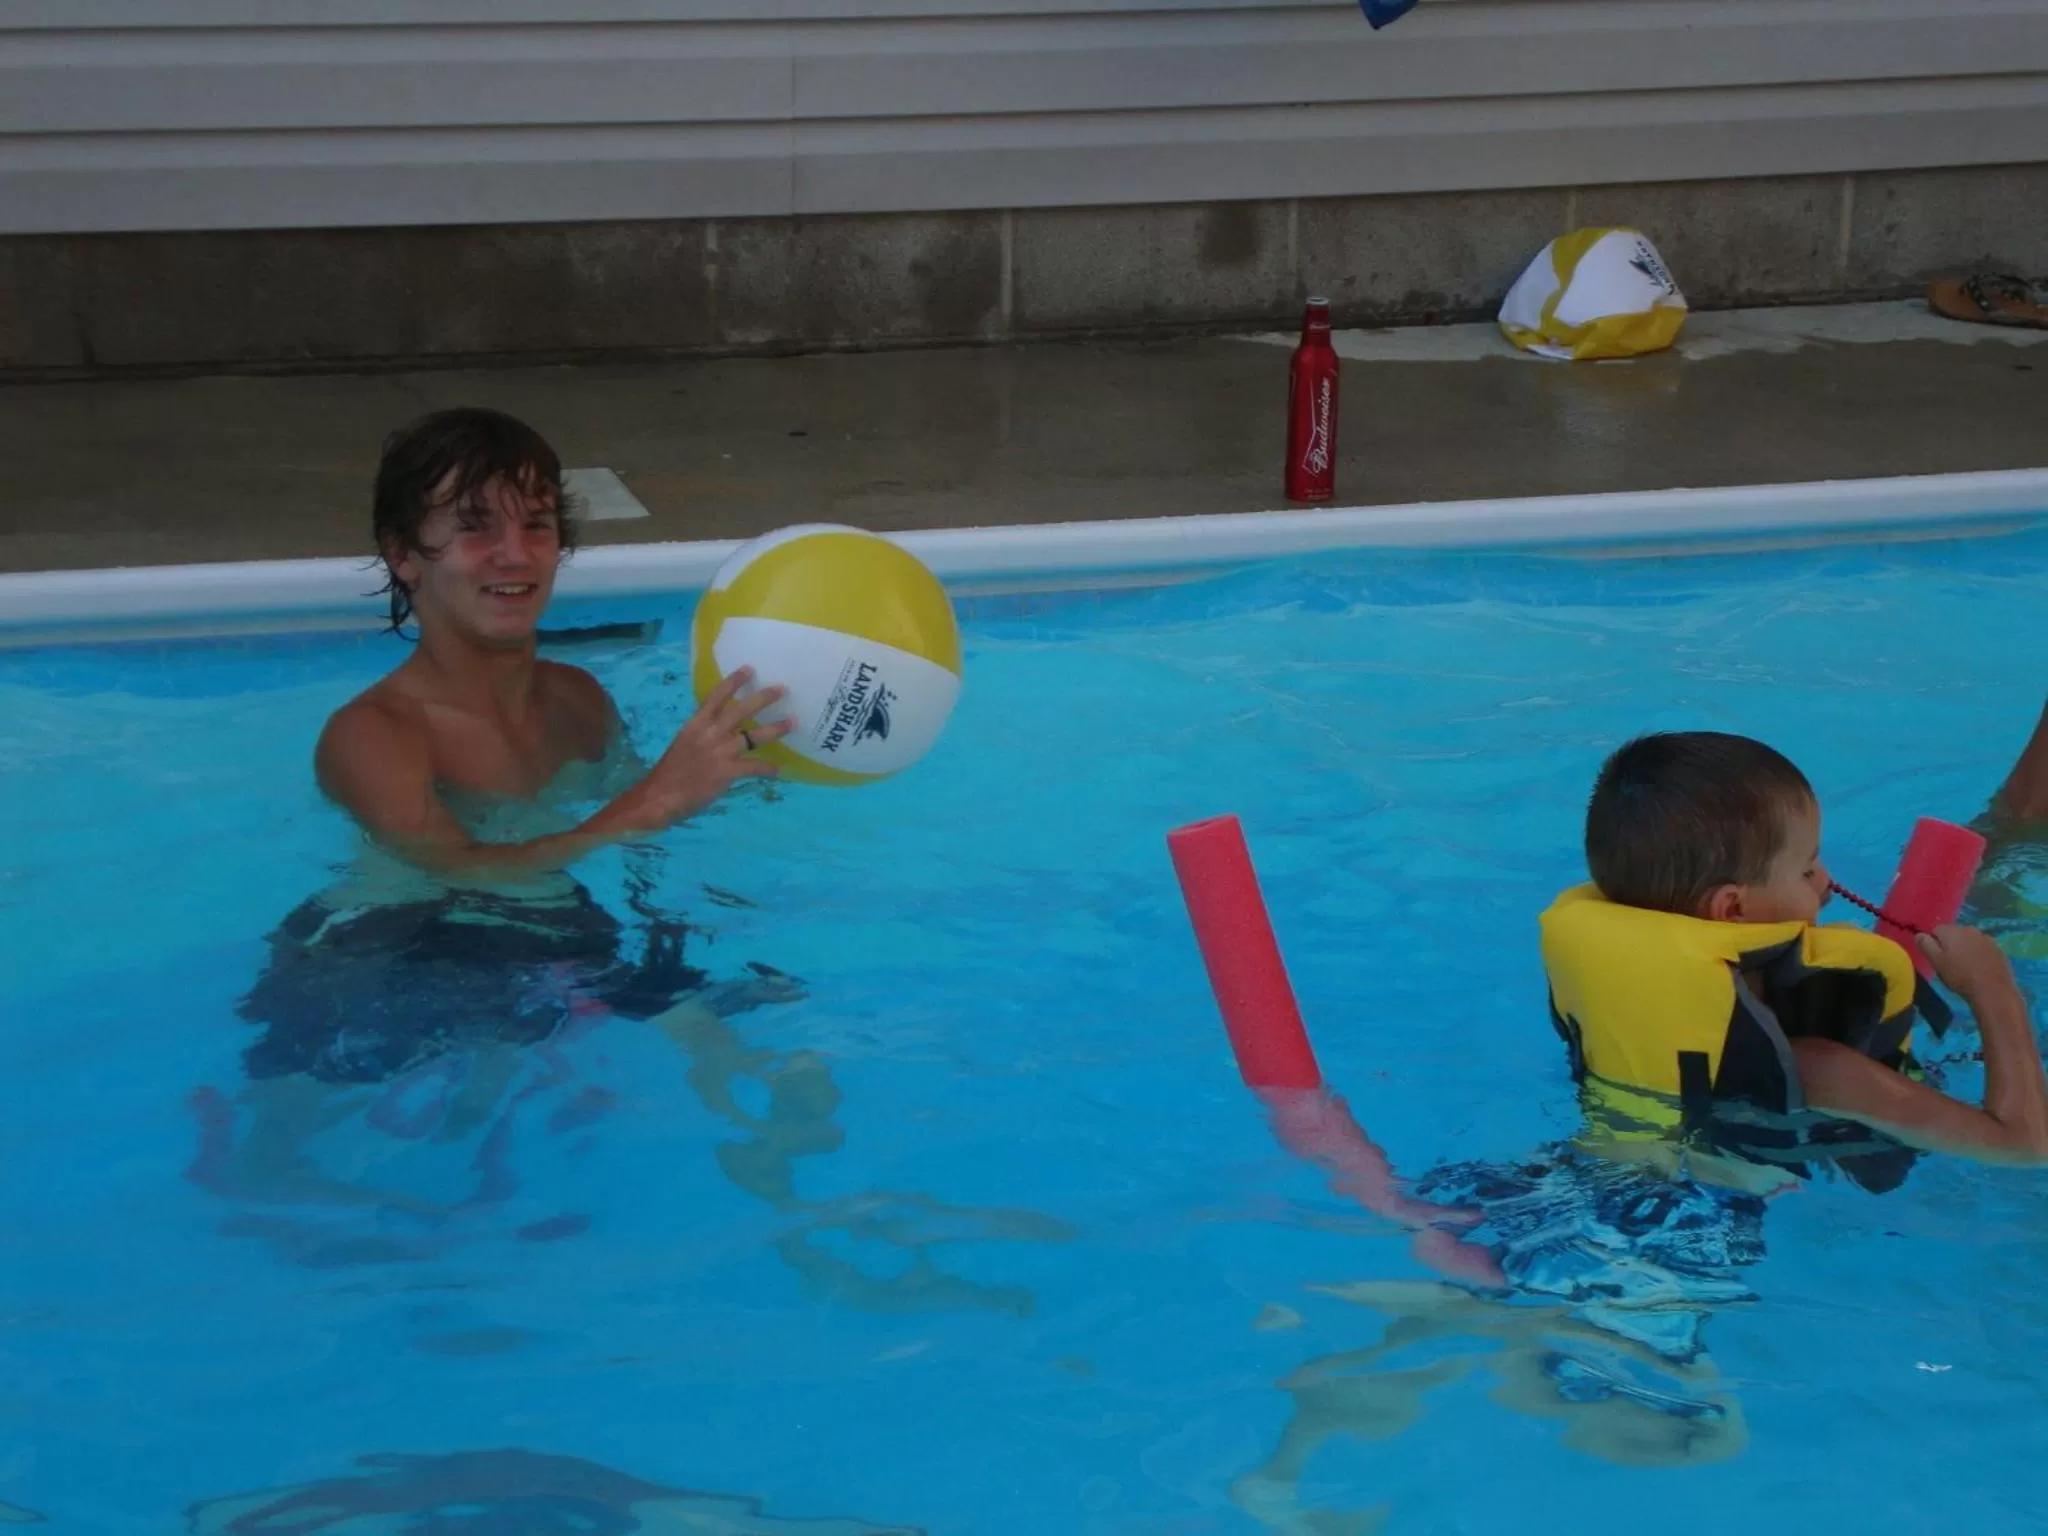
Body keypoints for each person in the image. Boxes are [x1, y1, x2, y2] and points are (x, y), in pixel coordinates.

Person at [315, 405, 791, 876]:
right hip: (392, 943)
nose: (516, 554)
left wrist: (743, 770)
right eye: (475, 526)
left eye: (537, 523)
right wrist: (659, 798)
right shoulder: (372, 736)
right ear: (402, 554)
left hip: (571, 934)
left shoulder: (579, 701)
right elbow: (458, 878)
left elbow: (645, 834)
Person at [1545, 731, 2048, 1173]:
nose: (1827, 881)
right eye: (1807, 870)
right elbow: (2023, 1145)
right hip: (1678, 1245)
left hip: (1571, 1177)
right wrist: (1993, 989)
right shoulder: (1817, 1067)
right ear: (1734, 908)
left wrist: (1794, 895)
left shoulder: (1637, 1009)